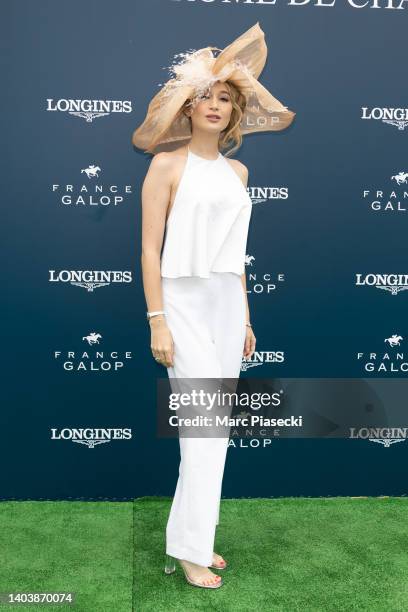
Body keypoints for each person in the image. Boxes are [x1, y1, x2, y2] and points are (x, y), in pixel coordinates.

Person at [132, 22, 295, 589]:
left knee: (215, 430)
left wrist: (246, 317)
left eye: (225, 98)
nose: (215, 105)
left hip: (227, 305)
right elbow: (150, 248)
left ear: (235, 114)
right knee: (202, 430)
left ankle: (194, 539)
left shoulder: (239, 172)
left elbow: (237, 257)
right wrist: (157, 319)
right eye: (205, 95)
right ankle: (191, 549)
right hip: (180, 303)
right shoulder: (165, 166)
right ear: (187, 105)